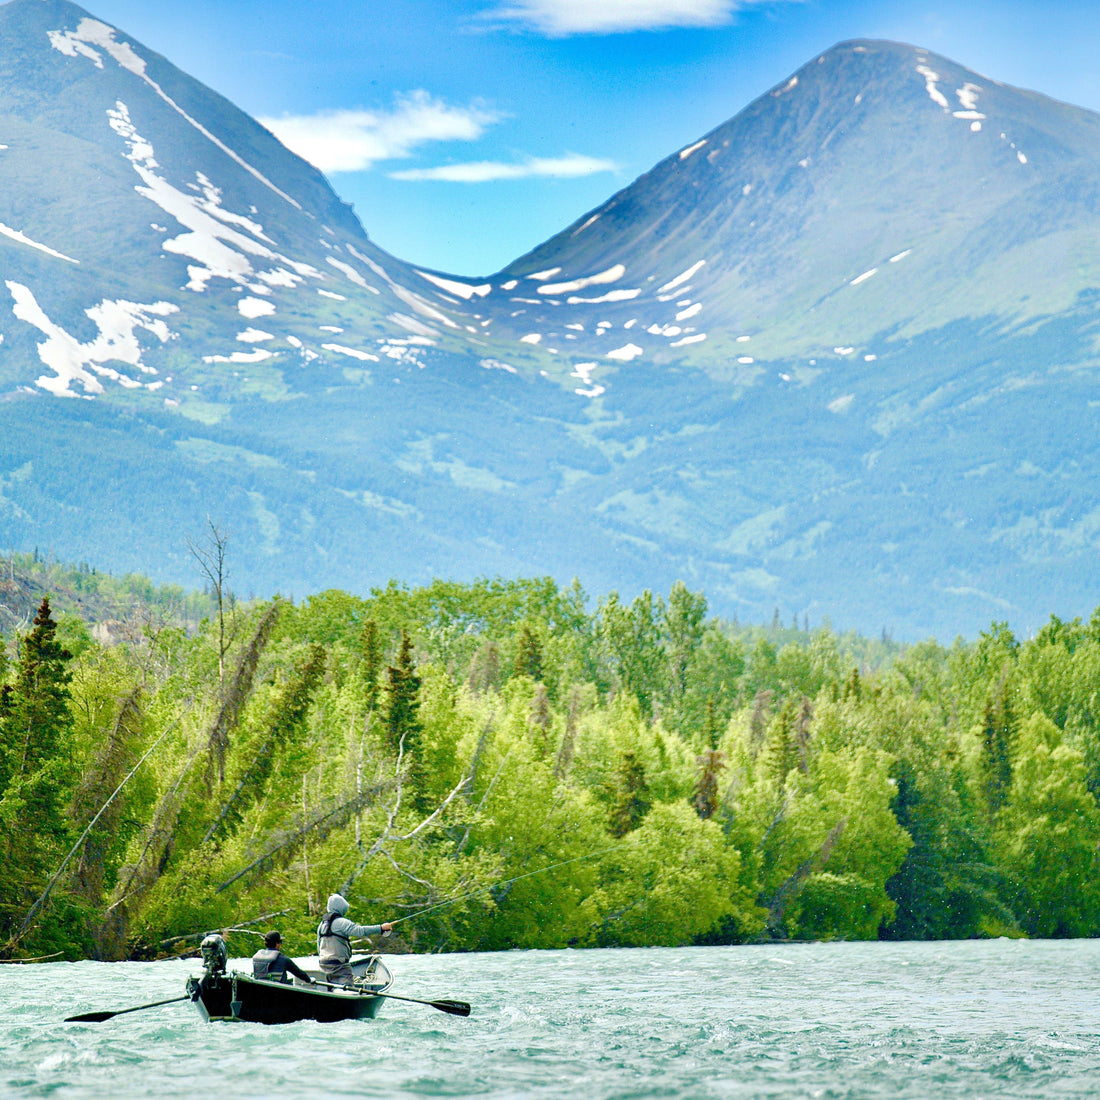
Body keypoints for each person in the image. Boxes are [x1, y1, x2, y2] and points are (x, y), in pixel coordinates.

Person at [316, 893, 393, 985]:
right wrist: (381, 928)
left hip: (323, 965)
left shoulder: (322, 925)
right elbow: (360, 931)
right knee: (349, 990)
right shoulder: (341, 922)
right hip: (340, 967)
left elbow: (319, 945)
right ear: (341, 907)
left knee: (327, 988)